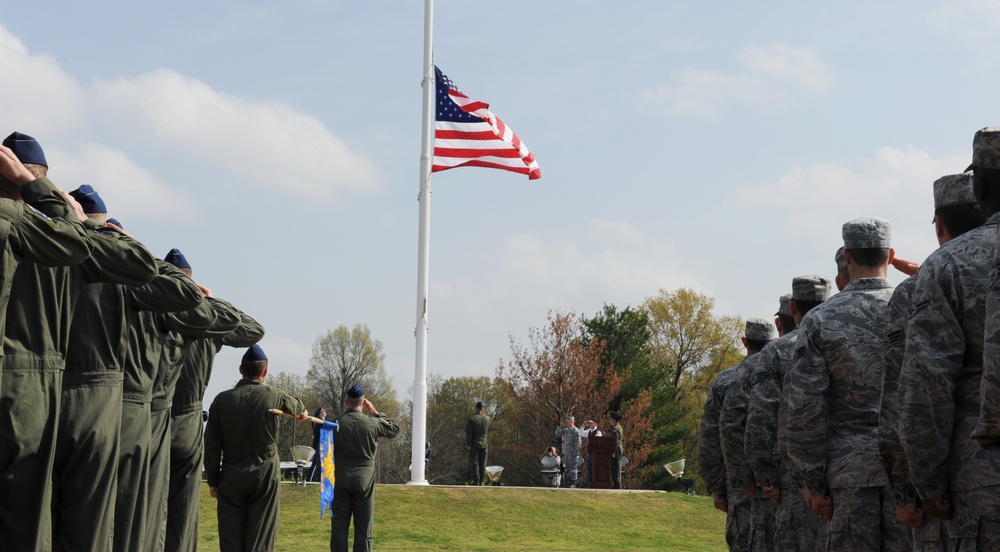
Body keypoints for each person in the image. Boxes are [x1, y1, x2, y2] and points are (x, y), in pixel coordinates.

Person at [0, 132, 162, 552]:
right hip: (41, 394)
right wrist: (74, 215)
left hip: (45, 389)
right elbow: (142, 266)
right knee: (44, 524)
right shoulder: (59, 235)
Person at [53, 186, 204, 552]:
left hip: (54, 396)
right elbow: (192, 299)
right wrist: (123, 244)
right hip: (116, 408)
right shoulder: (124, 276)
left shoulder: (46, 251)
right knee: (118, 518)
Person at [898, 127, 1000, 549]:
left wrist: (927, 483)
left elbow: (925, 385)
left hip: (980, 483)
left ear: (978, 186)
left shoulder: (947, 266)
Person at [785, 217, 907, 550]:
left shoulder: (820, 319)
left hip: (847, 479)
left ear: (847, 257)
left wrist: (811, 482)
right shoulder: (915, 306)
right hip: (911, 478)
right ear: (891, 254)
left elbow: (805, 409)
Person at [879, 172, 982, 549]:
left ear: (939, 224)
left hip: (970, 478)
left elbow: (921, 389)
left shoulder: (935, 277)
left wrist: (919, 487)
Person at [165, 248, 265, 552]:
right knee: (183, 509)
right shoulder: (206, 320)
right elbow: (253, 330)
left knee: (145, 503)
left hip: (151, 417)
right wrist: (209, 300)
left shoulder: (152, 309)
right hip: (189, 420)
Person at [744, 276, 831, 551]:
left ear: (792, 308)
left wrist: (765, 479)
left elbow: (760, 420)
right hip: (849, 476)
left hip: (793, 485)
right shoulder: (842, 335)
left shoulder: (776, 352)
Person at [204, 344, 307, 552]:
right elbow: (298, 407)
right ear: (265, 372)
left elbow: (211, 446)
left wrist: (213, 481)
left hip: (231, 473)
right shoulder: (274, 395)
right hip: (264, 473)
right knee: (261, 535)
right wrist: (302, 411)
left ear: (241, 370)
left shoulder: (221, 401)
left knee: (231, 538)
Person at [719, 317, 777, 552]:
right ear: (773, 340)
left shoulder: (726, 379)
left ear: (744, 341)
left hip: (741, 486)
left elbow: (715, 434)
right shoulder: (785, 367)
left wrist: (721, 485)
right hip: (782, 485)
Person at [331, 383, 400, 552]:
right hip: (365, 479)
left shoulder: (335, 424)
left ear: (346, 402)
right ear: (363, 403)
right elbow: (394, 429)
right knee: (364, 528)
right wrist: (375, 412)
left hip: (340, 478)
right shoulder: (372, 423)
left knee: (339, 526)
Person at [466, 400, 491, 486]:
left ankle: (476, 480)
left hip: (475, 444)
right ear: (483, 408)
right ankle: (482, 481)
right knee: (483, 463)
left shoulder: (472, 419)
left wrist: (468, 444)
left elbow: (469, 433)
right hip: (484, 443)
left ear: (476, 408)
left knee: (474, 463)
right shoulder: (488, 419)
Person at [555, 416, 583, 487]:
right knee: (566, 468)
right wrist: (561, 426)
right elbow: (557, 433)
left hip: (573, 453)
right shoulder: (566, 430)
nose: (566, 422)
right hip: (566, 452)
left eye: (567, 421)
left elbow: (578, 442)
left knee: (573, 468)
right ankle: (568, 481)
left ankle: (573, 482)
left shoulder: (576, 431)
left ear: (572, 421)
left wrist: (576, 451)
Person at [309, 407, 328, 481]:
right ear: (320, 414)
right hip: (318, 446)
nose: (325, 412)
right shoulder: (319, 422)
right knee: (315, 463)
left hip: (321, 446)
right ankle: (310, 479)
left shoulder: (321, 422)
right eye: (323, 411)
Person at [610, 412, 624, 489]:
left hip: (617, 448)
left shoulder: (616, 428)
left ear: (614, 420)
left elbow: (616, 441)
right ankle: (616, 484)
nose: (610, 420)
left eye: (611, 418)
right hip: (616, 448)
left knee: (616, 467)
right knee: (614, 468)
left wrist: (613, 452)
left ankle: (618, 485)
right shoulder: (614, 427)